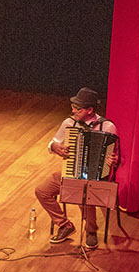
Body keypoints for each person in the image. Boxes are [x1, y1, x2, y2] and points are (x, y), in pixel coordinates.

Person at [34, 87, 120, 250]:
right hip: (70, 172)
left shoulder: (107, 127)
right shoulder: (69, 123)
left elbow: (119, 159)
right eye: (73, 106)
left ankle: (90, 231)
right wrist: (55, 147)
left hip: (96, 179)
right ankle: (64, 225)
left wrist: (115, 160)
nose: (72, 110)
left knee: (84, 191)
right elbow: (52, 143)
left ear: (90, 110)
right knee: (41, 190)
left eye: (77, 108)